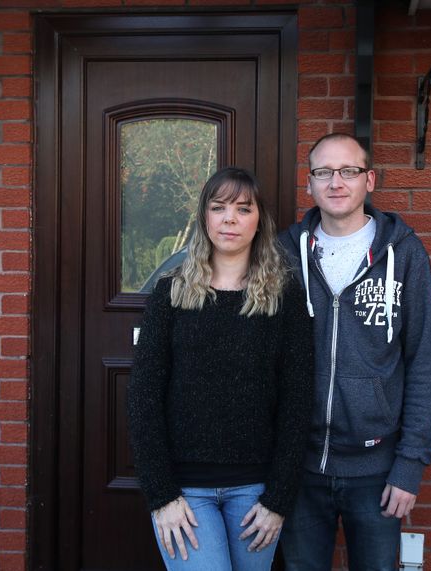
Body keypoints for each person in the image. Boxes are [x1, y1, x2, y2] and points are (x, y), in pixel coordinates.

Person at [127, 166, 314, 571]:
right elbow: (143, 400)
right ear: (204, 217)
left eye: (243, 209)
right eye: (219, 207)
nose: (230, 218)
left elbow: (297, 403)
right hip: (185, 492)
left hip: (256, 492)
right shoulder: (170, 294)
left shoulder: (285, 298)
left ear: (258, 220)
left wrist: (277, 500)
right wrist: (162, 496)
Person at [278, 133, 431, 571]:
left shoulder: (404, 253)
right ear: (308, 183)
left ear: (369, 180)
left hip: (377, 471)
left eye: (349, 171)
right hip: (298, 466)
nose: (336, 182)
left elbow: (424, 363)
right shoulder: (284, 255)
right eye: (323, 172)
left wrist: (409, 466)